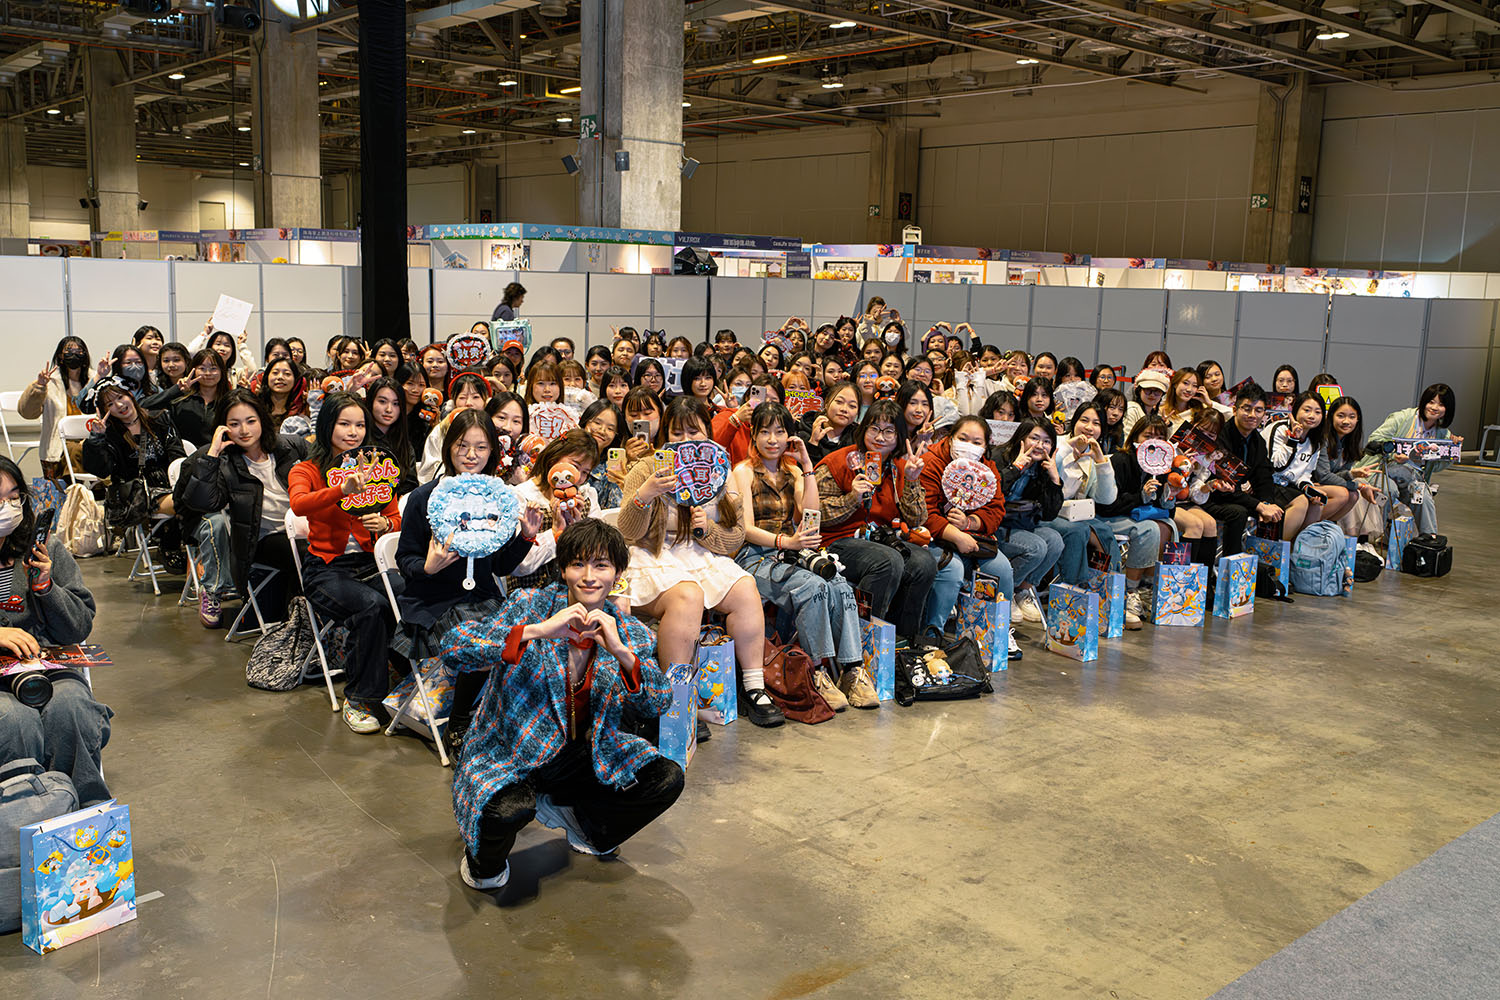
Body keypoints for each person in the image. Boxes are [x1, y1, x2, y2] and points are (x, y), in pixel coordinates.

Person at [444, 519, 682, 890]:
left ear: (617, 573)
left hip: (582, 754)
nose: (589, 577)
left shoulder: (629, 631)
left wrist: (622, 654)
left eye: (601, 565)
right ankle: (482, 862)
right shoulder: (530, 605)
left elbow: (659, 702)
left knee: (666, 777)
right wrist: (537, 631)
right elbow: (455, 647)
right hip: (510, 752)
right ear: (563, 569)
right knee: (499, 838)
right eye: (578, 564)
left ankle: (584, 826)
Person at [617, 398, 778, 726]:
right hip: (652, 554)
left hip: (701, 553)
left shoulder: (720, 470)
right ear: (665, 435)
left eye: (694, 432)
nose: (686, 440)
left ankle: (753, 686)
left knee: (745, 588)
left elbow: (735, 537)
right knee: (687, 596)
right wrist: (645, 495)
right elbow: (627, 532)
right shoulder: (646, 467)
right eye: (677, 433)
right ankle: (676, 700)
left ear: (708, 433)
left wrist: (706, 529)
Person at [395, 409, 541, 756]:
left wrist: (526, 537)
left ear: (493, 451)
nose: (471, 455)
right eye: (462, 445)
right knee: (485, 641)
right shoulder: (424, 497)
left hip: (484, 599)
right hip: (433, 603)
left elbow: (499, 565)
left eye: (481, 447)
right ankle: (460, 724)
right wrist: (428, 567)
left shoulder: (497, 499)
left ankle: (506, 721)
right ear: (448, 448)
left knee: (529, 638)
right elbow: (405, 559)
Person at [731, 403, 872, 711]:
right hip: (754, 556)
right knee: (813, 586)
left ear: (790, 437)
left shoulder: (793, 471)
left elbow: (811, 515)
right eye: (765, 432)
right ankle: (817, 672)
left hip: (790, 553)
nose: (772, 439)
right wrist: (786, 541)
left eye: (779, 432)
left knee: (839, 583)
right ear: (753, 435)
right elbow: (745, 530)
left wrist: (807, 465)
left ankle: (852, 670)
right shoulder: (742, 472)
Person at [287, 393, 402, 734]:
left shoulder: (378, 467)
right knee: (372, 606)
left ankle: (407, 681)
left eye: (360, 425)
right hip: (326, 569)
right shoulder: (307, 469)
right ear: (327, 426)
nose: (353, 432)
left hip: (370, 562)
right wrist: (341, 489)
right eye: (344, 424)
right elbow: (299, 504)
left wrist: (386, 524)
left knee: (408, 591)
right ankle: (361, 699)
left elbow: (395, 516)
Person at [0, 458, 109, 806]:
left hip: (45, 664)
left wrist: (47, 588)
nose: (8, 507)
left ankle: (85, 816)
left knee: (71, 709)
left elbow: (79, 627)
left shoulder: (45, 548)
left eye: (14, 497)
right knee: (13, 722)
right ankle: (22, 817)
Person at [175, 390, 305, 629]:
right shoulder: (224, 462)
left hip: (305, 529)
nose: (244, 430)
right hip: (261, 540)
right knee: (305, 553)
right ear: (223, 428)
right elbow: (201, 502)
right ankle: (303, 623)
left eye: (251, 421)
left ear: (262, 420)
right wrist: (213, 455)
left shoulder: (289, 446)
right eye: (234, 424)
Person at [814, 399, 936, 647]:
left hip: (879, 539)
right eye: (874, 429)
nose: (880, 437)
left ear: (899, 436)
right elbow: (815, 515)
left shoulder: (899, 467)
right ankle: (861, 640)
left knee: (924, 562)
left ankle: (902, 641)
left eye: (889, 431)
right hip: (835, 541)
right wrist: (852, 498)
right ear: (863, 430)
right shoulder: (837, 462)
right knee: (887, 561)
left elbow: (917, 520)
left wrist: (912, 480)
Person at [920, 417, 1023, 656]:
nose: (968, 446)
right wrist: (956, 534)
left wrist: (970, 522)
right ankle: (932, 633)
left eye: (977, 442)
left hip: (975, 539)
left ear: (986, 446)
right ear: (950, 439)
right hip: (936, 540)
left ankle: (998, 631)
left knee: (1001, 568)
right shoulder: (931, 462)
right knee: (952, 569)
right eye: (963, 439)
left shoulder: (988, 470)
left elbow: (996, 511)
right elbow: (925, 513)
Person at [82, 377, 185, 556]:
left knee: (199, 495)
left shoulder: (160, 418)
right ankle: (171, 546)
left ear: (130, 395)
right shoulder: (110, 434)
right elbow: (101, 470)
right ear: (105, 411)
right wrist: (97, 438)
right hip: (135, 493)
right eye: (110, 404)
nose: (119, 405)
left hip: (169, 482)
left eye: (120, 397)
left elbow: (177, 454)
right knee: (186, 502)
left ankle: (185, 550)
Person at [1353, 383, 1459, 537]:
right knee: (1388, 490)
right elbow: (1374, 440)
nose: (1435, 408)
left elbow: (1436, 466)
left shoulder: (1443, 434)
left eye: (1441, 404)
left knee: (1423, 497)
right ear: (1424, 402)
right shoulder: (1402, 418)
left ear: (1447, 409)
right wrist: (1393, 454)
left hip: (1411, 478)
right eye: (1431, 402)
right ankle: (1374, 536)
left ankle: (1429, 540)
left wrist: (1452, 451)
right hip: (1381, 470)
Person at [1199, 382, 1289, 557]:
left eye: (1258, 410)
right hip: (1213, 496)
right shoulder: (1222, 436)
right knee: (1238, 513)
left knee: (1277, 510)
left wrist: (1266, 504)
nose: (1252, 415)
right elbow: (1224, 485)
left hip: (1236, 495)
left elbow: (1263, 477)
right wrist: (1258, 505)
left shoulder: (1257, 440)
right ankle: (1231, 566)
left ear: (1264, 414)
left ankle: (1266, 566)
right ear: (1235, 410)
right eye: (1247, 409)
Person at [993, 418, 1068, 624]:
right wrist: (1016, 468)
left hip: (1020, 524)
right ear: (1022, 438)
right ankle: (1005, 593)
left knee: (1055, 541)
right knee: (1036, 547)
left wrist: (1054, 480)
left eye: (1047, 441)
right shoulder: (999, 456)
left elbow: (1049, 515)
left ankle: (1022, 591)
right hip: (994, 525)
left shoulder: (1043, 468)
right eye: (1034, 438)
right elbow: (989, 493)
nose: (1040, 445)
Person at [510, 431, 602, 590]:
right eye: (575, 466)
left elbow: (600, 553)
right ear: (554, 458)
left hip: (578, 589)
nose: (577, 477)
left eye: (585, 472)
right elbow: (519, 566)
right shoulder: (521, 496)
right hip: (530, 592)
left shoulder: (586, 496)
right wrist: (555, 533)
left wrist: (579, 529)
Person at [1261, 391, 1351, 543]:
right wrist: (1292, 440)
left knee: (1316, 504)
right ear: (1296, 410)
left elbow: (1305, 473)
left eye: (1317, 412)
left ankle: (1299, 549)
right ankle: (1280, 549)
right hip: (1267, 481)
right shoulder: (1279, 429)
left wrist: (1308, 488)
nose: (1312, 416)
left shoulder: (1315, 440)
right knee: (1302, 502)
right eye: (1307, 410)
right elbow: (1276, 467)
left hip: (1288, 485)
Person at [20, 336, 92, 482]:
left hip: (89, 440)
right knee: (74, 451)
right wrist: (39, 387)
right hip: (59, 444)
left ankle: (97, 490)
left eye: (79, 351)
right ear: (60, 356)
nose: (74, 354)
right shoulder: (50, 381)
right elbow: (27, 413)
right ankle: (76, 490)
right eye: (69, 350)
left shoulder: (94, 379)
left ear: (85, 355)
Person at [1318, 396, 1384, 541]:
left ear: (1358, 419)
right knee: (1348, 492)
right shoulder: (1323, 439)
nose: (1346, 421)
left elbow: (1336, 474)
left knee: (1354, 493)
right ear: (1331, 417)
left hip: (1328, 484)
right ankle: (1317, 529)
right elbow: (1323, 476)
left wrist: (1351, 474)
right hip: (1312, 483)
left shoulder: (1350, 442)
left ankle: (1346, 537)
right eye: (1341, 416)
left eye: (1352, 417)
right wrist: (1358, 485)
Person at [363, 377, 417, 497]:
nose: (389, 409)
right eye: (382, 401)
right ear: (371, 402)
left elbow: (410, 484)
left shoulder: (404, 444)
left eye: (396, 404)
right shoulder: (360, 437)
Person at [171, 349, 230, 449]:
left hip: (221, 455)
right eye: (202, 368)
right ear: (194, 371)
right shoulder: (180, 400)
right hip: (186, 455)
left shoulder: (229, 402)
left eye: (213, 368)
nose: (208, 373)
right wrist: (176, 390)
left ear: (222, 371)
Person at [579, 399, 627, 509]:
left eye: (610, 429)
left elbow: (615, 508)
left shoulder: (610, 468)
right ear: (585, 422)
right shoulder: (567, 453)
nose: (602, 431)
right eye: (597, 423)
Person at [804, 380, 860, 463]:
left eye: (852, 406)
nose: (844, 409)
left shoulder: (858, 439)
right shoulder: (805, 432)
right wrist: (813, 442)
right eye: (839, 402)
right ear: (826, 403)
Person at [258, 356, 309, 437]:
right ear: (267, 376)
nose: (280, 377)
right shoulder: (256, 408)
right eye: (275, 373)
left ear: (295, 379)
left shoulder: (303, 411)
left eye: (287, 374)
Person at [1122, 368, 1168, 440]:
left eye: (1157, 391)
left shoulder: (1157, 414)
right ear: (1139, 391)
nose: (1152, 395)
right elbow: (1126, 439)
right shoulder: (1131, 409)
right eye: (1148, 390)